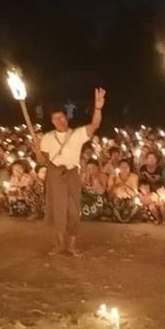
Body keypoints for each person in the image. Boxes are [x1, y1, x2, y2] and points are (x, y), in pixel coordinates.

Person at [36, 88, 106, 257]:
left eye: (61, 117)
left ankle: (72, 245)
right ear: (52, 121)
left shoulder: (77, 134)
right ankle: (60, 244)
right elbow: (42, 161)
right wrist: (37, 151)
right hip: (54, 174)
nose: (58, 121)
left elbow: (94, 125)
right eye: (55, 118)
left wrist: (97, 107)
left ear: (66, 118)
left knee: (73, 211)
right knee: (57, 210)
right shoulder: (47, 137)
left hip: (72, 173)